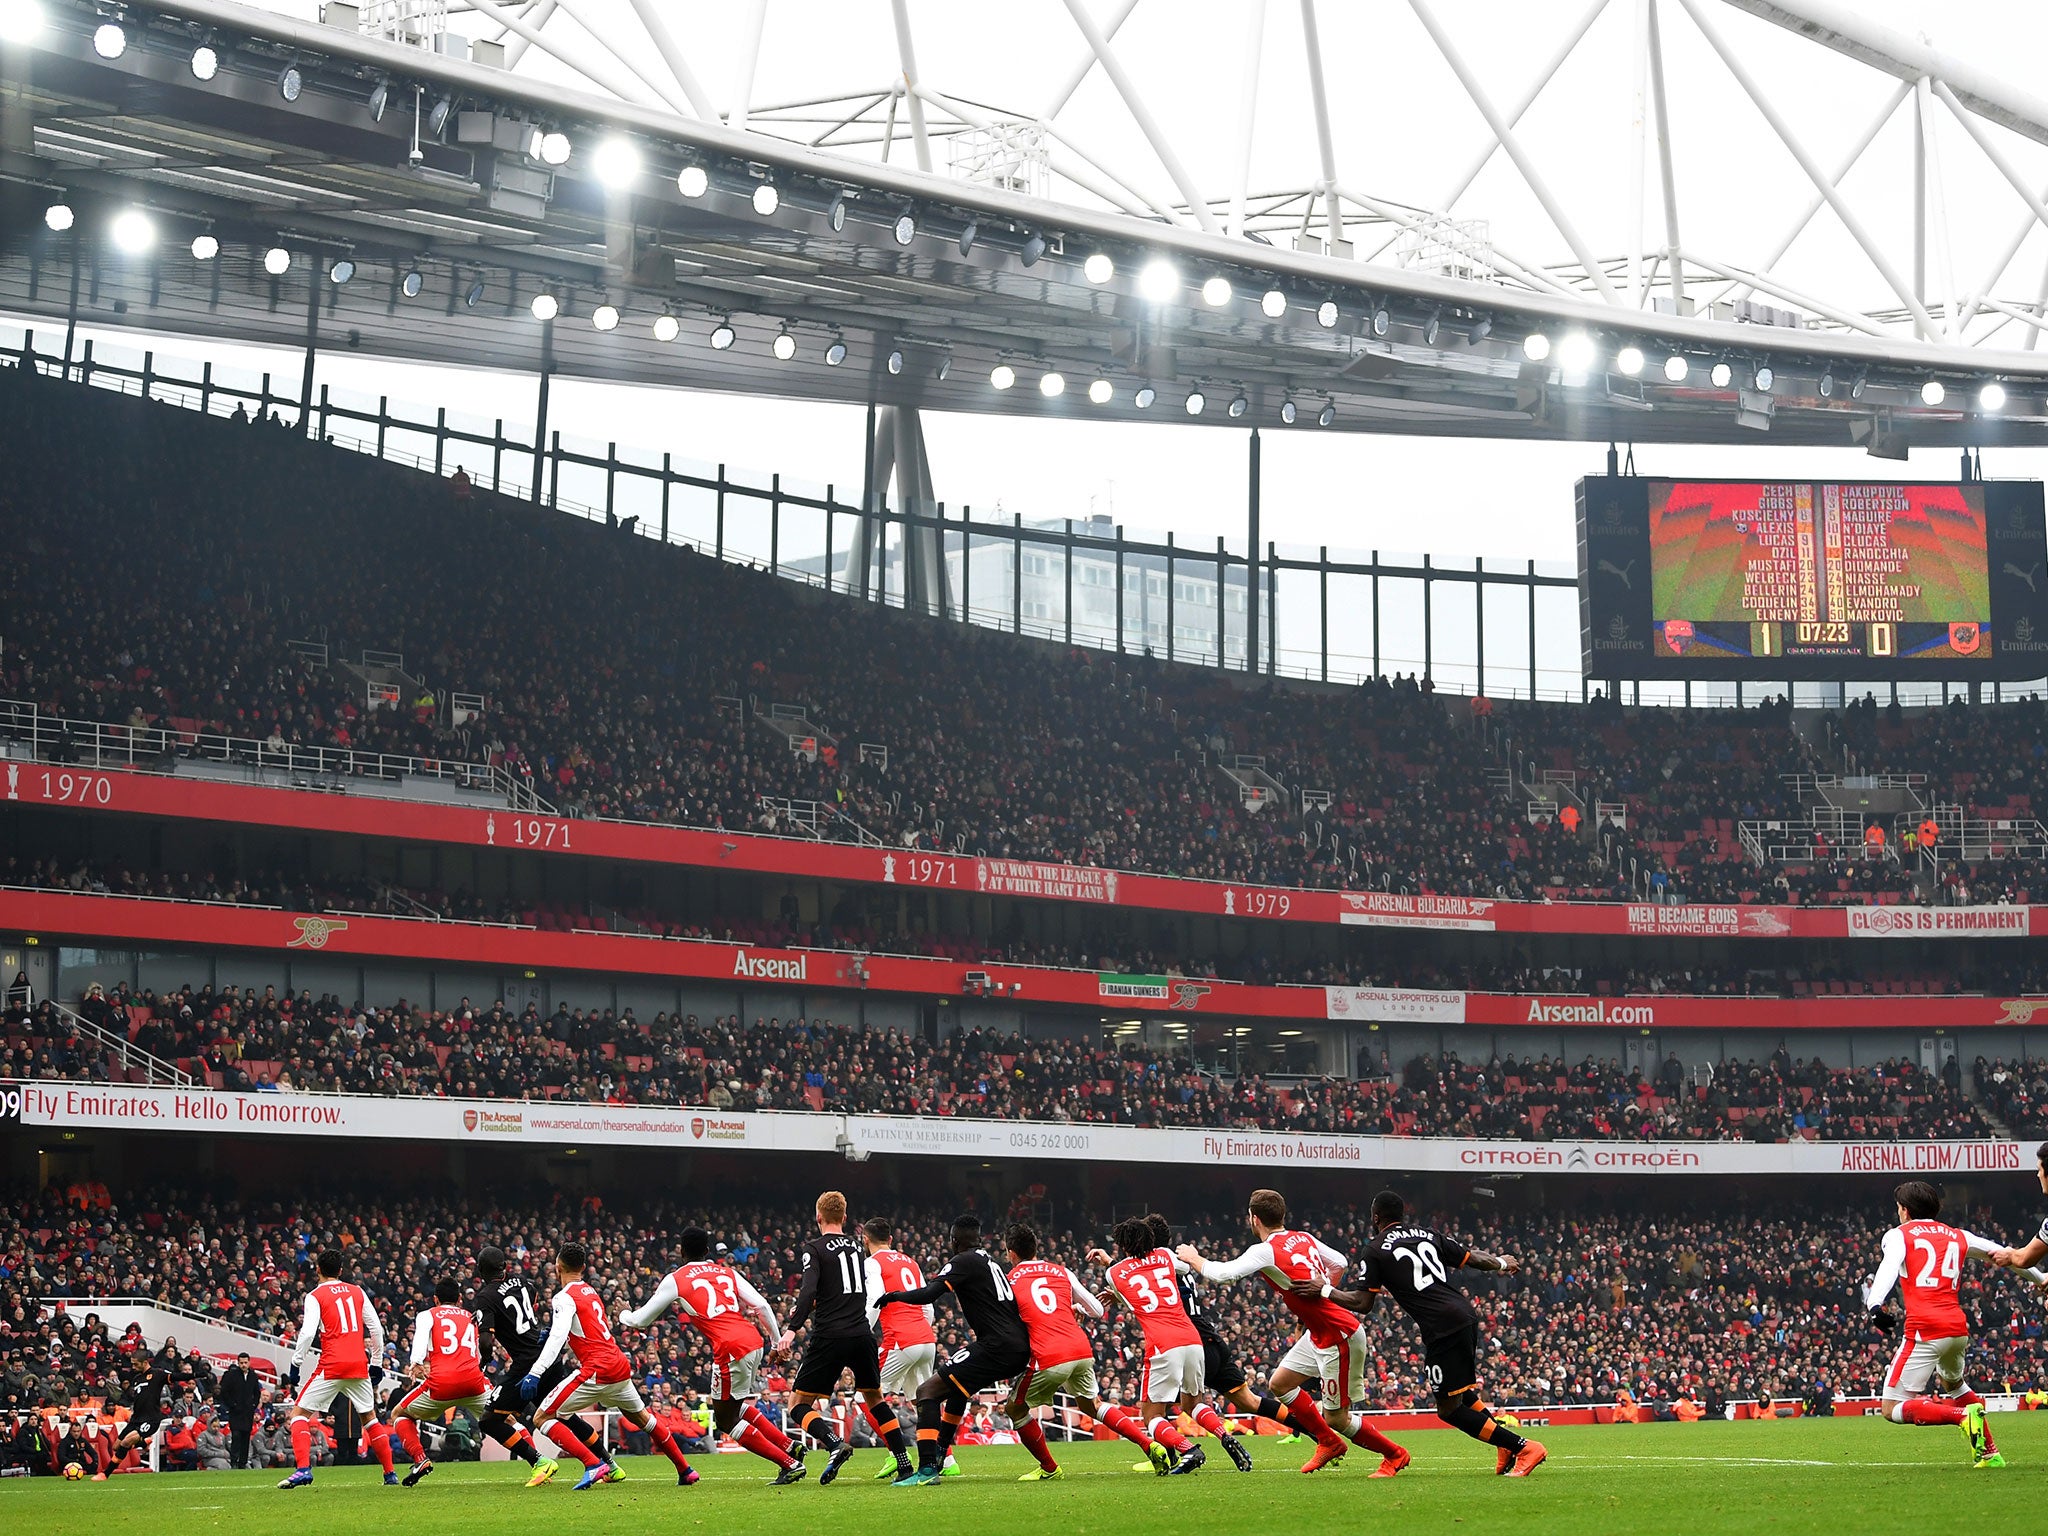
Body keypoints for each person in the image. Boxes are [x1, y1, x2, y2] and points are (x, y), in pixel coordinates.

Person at [1312, 1190, 1546, 1478]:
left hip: (1443, 1326)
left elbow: (1363, 1303)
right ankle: (1504, 1446)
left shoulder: (1374, 1249)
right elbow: (1473, 1258)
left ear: (1375, 1218)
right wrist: (1500, 1262)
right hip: (1464, 1315)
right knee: (1459, 1391)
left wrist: (1324, 1290)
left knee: (1448, 1410)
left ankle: (1523, 1447)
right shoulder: (1428, 1234)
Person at [1176, 1188, 1407, 1476]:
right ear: (1282, 1215)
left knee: (1336, 1417)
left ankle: (1394, 1454)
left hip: (1339, 1335)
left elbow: (1224, 1275)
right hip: (1320, 1332)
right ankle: (1327, 1442)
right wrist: (1322, 1293)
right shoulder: (1303, 1237)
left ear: (1254, 1218)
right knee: (1280, 1384)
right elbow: (1340, 1263)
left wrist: (1193, 1257)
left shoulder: (1266, 1249)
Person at [1868, 1179, 2041, 1468]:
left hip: (1925, 1328)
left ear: (1905, 1210)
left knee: (1890, 1407)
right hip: (1957, 1329)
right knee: (1954, 1385)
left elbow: (1889, 1265)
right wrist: (2042, 1279)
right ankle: (1990, 1453)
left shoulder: (1899, 1235)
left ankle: (1962, 1417)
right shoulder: (1958, 1235)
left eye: (1899, 1208)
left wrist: (1875, 1304)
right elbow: (2006, 1255)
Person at [616, 1226, 804, 1483]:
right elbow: (760, 1304)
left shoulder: (676, 1279)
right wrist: (775, 1342)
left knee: (726, 1420)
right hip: (753, 1341)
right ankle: (788, 1446)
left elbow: (640, 1320)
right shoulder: (727, 1271)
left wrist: (623, 1313)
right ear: (707, 1251)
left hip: (730, 1347)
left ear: (681, 1251)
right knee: (733, 1407)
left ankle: (789, 1463)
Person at [519, 1242, 698, 1490]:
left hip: (596, 1369)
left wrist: (535, 1373)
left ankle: (593, 1464)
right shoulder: (590, 1291)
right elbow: (588, 1331)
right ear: (583, 1267)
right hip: (619, 1366)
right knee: (644, 1418)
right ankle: (685, 1469)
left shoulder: (563, 1297)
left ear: (557, 1267)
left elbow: (559, 1337)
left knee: (542, 1416)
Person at [873, 1212, 1032, 1487]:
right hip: (1016, 1345)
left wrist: (893, 1296)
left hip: (997, 1346)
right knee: (958, 1389)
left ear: (954, 1240)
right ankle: (938, 1454)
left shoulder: (963, 1261)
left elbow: (928, 1293)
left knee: (926, 1392)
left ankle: (925, 1469)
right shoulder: (988, 1260)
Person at [1001, 1221, 1166, 1481]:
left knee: (1014, 1409)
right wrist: (1072, 1310)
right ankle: (1149, 1445)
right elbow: (1098, 1311)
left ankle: (1049, 1468)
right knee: (1093, 1405)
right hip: (1080, 1349)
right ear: (1035, 1248)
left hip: (1048, 1355)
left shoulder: (1009, 1281)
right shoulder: (1061, 1271)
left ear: (1011, 1252)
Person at [773, 1191, 912, 1484]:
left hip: (830, 1335)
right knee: (875, 1398)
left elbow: (809, 1290)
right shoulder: (856, 1246)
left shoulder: (814, 1248)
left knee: (797, 1404)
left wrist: (790, 1329)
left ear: (818, 1217)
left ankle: (835, 1443)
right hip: (862, 1333)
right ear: (845, 1218)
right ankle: (903, 1462)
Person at [471, 1244, 599, 1486]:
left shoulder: (485, 1297)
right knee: (563, 1415)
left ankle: (539, 1461)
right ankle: (606, 1462)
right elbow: (533, 1296)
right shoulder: (520, 1281)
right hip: (546, 1355)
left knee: (489, 1420)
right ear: (505, 1267)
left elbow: (486, 1340)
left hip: (526, 1364)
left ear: (480, 1270)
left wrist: (485, 1359)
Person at [1102, 1216, 1207, 1474]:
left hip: (1161, 1343)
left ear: (1124, 1247)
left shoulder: (1113, 1272)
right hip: (1192, 1338)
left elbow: (1129, 1301)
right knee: (1191, 1402)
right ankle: (1216, 1440)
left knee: (1151, 1416)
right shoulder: (1164, 1255)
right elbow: (1183, 1269)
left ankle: (1188, 1450)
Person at [279, 1249, 388, 1489]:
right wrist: (377, 1363)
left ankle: (303, 1469)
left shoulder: (315, 1295)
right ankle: (390, 1474)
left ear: (317, 1269)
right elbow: (376, 1329)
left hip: (331, 1365)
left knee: (298, 1416)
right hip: (359, 1364)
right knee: (370, 1419)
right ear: (341, 1270)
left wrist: (296, 1364)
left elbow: (307, 1333)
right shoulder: (357, 1291)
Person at [861, 1217, 955, 1480]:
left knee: (866, 1398)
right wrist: (921, 1330)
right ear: (891, 1239)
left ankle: (896, 1454)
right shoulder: (910, 1262)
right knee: (923, 1400)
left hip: (901, 1339)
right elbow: (928, 1305)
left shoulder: (872, 1262)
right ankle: (947, 1459)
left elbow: (875, 1299)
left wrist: (862, 1331)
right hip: (925, 1338)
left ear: (865, 1240)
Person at [391, 1276, 498, 1487]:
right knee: (506, 1419)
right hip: (473, 1382)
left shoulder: (427, 1314)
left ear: (435, 1299)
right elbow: (478, 1351)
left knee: (398, 1414)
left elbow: (420, 1337)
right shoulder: (470, 1316)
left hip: (442, 1384)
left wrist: (415, 1361)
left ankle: (420, 1459)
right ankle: (539, 1460)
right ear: (460, 1298)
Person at [112, 1366, 169, 1466]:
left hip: (144, 1419)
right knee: (115, 1447)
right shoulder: (135, 1384)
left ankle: (142, 1442)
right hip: (135, 1419)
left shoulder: (152, 1386)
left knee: (125, 1443)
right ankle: (143, 1443)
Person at [216, 1352, 263, 1470]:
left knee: (246, 1437)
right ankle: (234, 1461)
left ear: (249, 1362)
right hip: (235, 1412)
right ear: (238, 1363)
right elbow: (224, 1392)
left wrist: (253, 1405)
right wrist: (232, 1405)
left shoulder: (253, 1375)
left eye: (245, 1363)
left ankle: (243, 1462)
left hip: (248, 1412)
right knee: (236, 1436)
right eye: (241, 1363)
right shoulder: (232, 1375)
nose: (243, 1365)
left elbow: (256, 1392)